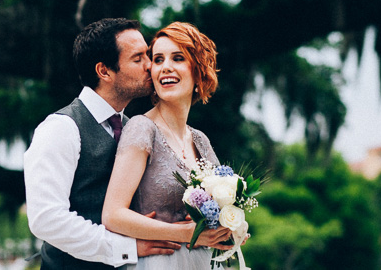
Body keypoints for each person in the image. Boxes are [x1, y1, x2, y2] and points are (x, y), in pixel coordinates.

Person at [24, 18, 183, 269]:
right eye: (138, 58)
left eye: (148, 55)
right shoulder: (60, 129)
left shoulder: (136, 128)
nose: (150, 66)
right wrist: (125, 247)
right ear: (104, 71)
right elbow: (46, 219)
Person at [102, 22, 233, 269]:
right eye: (158, 59)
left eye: (178, 58)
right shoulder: (142, 128)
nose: (165, 68)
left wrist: (230, 229)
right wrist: (183, 234)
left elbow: (219, 210)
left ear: (198, 70)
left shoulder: (200, 140)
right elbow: (112, 215)